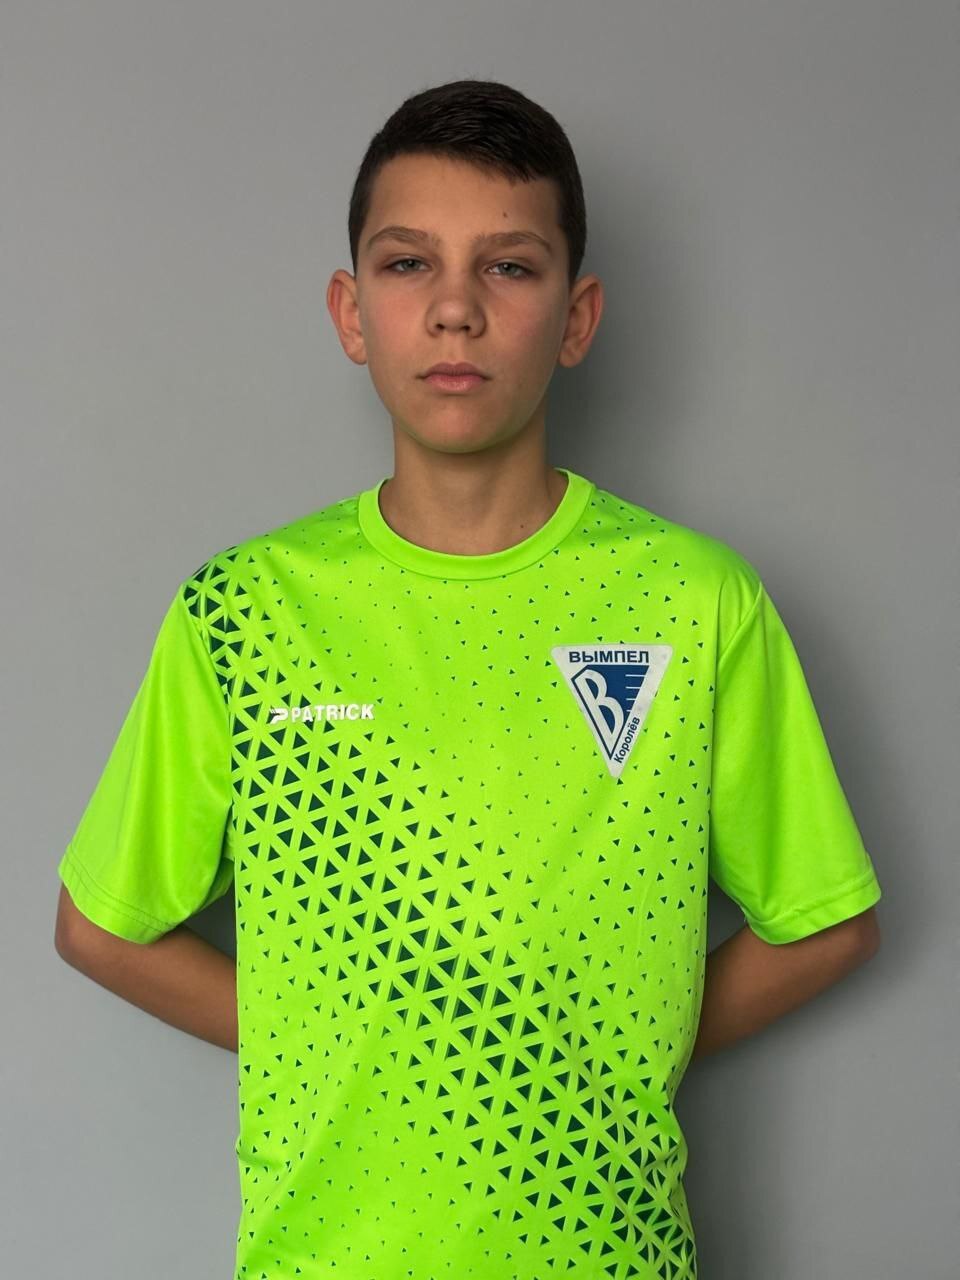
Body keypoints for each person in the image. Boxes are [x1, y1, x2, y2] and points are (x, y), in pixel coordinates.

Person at [54, 78, 882, 1280]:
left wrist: (610, 1040)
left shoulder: (695, 602)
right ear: (351, 312)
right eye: (407, 264)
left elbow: (824, 920)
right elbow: (101, 925)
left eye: (509, 266)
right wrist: (346, 1037)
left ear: (576, 316)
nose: (455, 309)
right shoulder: (241, 609)